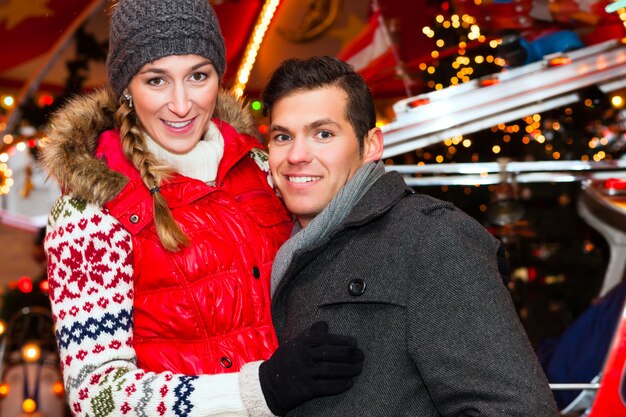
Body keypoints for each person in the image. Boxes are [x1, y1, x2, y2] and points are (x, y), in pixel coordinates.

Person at [40, 2, 363, 416]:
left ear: (218, 77)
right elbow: (96, 395)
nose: (181, 104)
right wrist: (259, 391)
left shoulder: (263, 167)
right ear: (125, 87)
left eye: (198, 76)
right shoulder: (88, 215)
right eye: (156, 80)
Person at [263, 56, 559, 416]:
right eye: (283, 136)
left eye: (323, 134)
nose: (296, 155)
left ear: (371, 145)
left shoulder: (431, 237)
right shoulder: (282, 246)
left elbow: (518, 410)